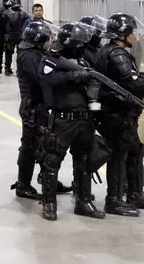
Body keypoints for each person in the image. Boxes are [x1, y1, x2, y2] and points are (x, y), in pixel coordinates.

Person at [38, 23, 105, 222]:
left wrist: (97, 113)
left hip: (84, 119)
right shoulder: (52, 58)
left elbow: (95, 86)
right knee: (52, 161)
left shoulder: (83, 59)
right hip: (62, 119)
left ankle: (83, 201)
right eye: (80, 44)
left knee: (85, 162)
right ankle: (49, 202)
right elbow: (46, 78)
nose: (83, 47)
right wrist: (75, 76)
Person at [95, 13, 144, 215]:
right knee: (118, 155)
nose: (134, 37)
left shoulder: (108, 51)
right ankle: (114, 199)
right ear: (123, 35)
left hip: (119, 114)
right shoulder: (117, 55)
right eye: (132, 33)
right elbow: (135, 85)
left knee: (135, 152)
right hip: (117, 115)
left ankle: (134, 194)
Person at [11, 19, 54, 200]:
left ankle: (47, 180)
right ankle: (23, 184)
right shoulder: (29, 57)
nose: (50, 42)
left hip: (39, 106)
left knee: (45, 145)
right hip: (32, 108)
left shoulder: (33, 53)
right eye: (48, 39)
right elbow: (41, 78)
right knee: (29, 146)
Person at [0, 0, 27, 76]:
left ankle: (7, 69)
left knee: (8, 54)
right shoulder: (23, 13)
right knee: (17, 54)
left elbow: (1, 24)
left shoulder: (6, 13)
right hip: (18, 36)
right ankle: (16, 70)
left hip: (9, 36)